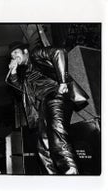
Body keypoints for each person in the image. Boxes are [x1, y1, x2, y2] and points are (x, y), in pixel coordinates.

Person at [5, 42, 88, 174]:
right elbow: (22, 92)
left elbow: (58, 52)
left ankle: (71, 173)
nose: (13, 56)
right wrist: (13, 72)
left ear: (25, 51)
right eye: (11, 55)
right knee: (42, 147)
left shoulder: (35, 54)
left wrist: (62, 82)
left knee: (57, 136)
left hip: (55, 95)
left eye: (16, 52)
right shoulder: (26, 74)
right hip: (43, 105)